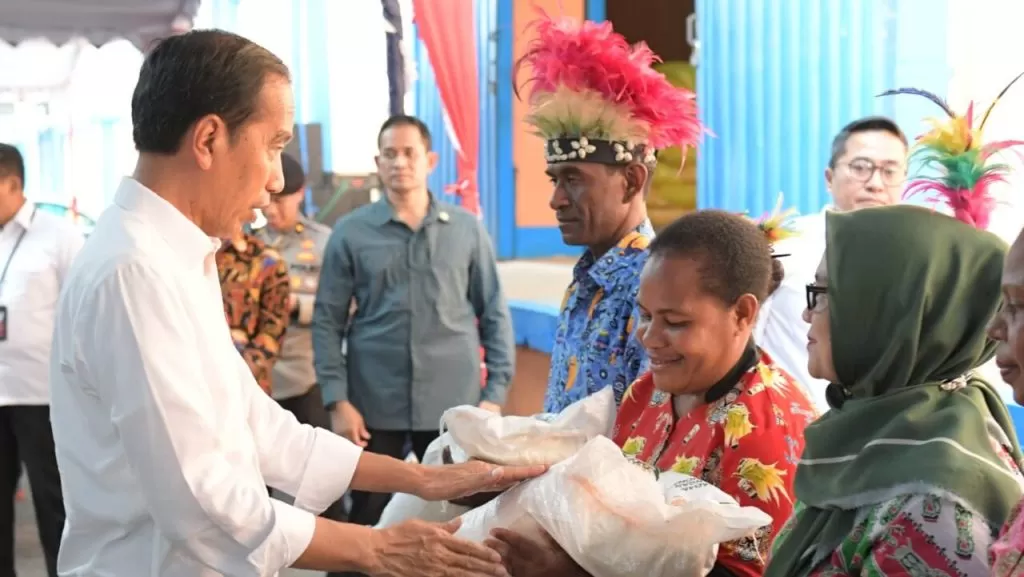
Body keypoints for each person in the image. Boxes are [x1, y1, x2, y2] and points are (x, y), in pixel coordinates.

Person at [48, 30, 544, 577]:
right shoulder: (134, 272)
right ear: (209, 139)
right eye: (274, 145)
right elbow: (199, 504)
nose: (278, 179)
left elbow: (255, 423)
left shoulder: (180, 255)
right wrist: (377, 549)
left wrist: (421, 479)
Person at [485, 210, 817, 577]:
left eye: (675, 323)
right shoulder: (646, 394)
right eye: (644, 315)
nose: (648, 338)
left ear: (741, 313)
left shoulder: (766, 431)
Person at [313, 114, 516, 537]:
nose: (399, 162)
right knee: (367, 516)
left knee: (456, 515)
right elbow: (327, 322)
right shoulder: (351, 233)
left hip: (454, 405)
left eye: (409, 153)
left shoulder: (466, 231)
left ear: (430, 159)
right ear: (377, 161)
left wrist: (494, 395)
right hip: (372, 406)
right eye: (390, 153)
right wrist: (337, 401)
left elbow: (493, 313)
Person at [512, 14, 703, 414]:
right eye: (555, 180)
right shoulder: (585, 281)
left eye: (574, 180)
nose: (557, 200)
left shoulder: (654, 290)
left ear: (632, 181)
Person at [754, 116, 909, 410]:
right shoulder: (784, 249)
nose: (876, 184)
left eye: (890, 171)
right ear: (829, 178)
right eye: (860, 168)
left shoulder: (912, 260)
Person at [254, 153, 350, 528]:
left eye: (282, 199)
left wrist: (295, 307)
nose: (273, 209)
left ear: (300, 195)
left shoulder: (324, 244)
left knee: (321, 483)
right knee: (255, 488)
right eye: (269, 198)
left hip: (306, 378)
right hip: (258, 382)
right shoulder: (248, 244)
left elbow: (345, 308)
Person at [0, 143, 80, 577]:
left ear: (14, 184)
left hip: (42, 396)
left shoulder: (58, 237)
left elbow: (84, 314)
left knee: (54, 506)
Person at [216, 229, 290, 395]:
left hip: (246, 387)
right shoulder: (183, 256)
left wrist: (240, 370)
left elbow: (273, 329)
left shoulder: (266, 259)